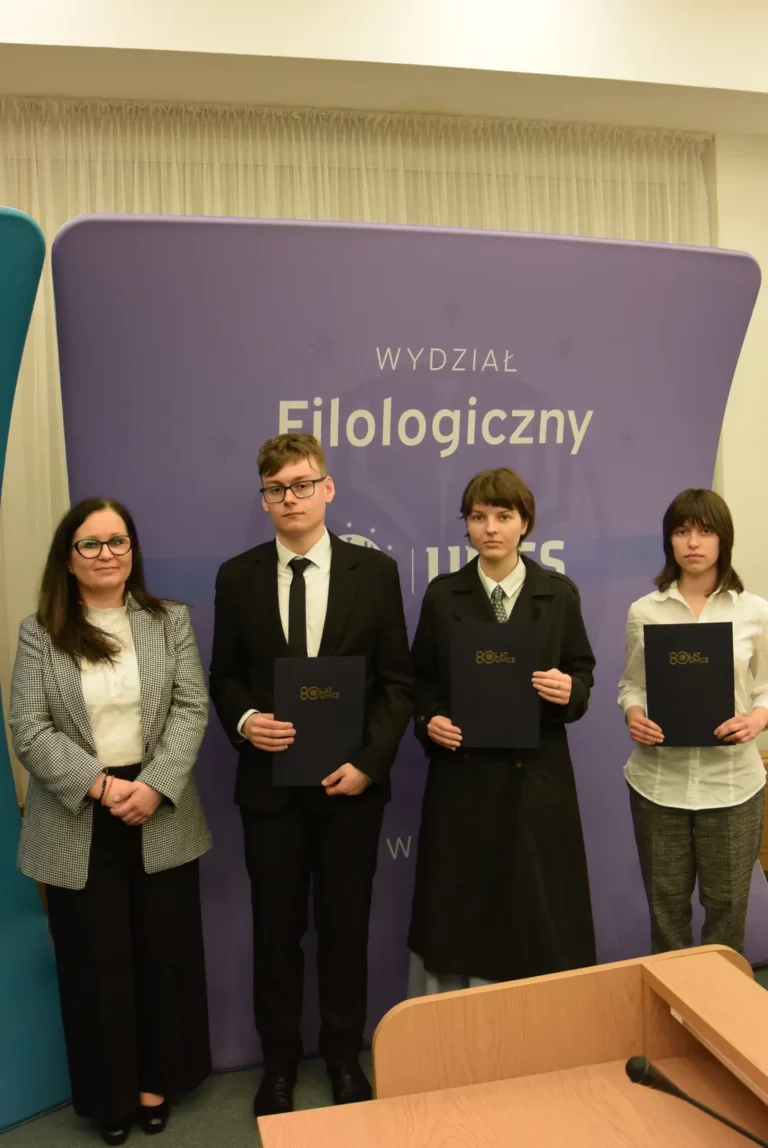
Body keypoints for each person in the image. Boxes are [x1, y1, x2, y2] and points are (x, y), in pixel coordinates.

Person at [209, 432, 413, 1115]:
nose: (289, 498)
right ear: (264, 499)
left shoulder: (374, 573)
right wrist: (245, 722)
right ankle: (278, 1065)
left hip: (351, 790)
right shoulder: (237, 577)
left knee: (345, 930)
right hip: (269, 790)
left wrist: (369, 764)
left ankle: (343, 1058)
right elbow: (224, 676)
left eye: (301, 485)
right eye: (276, 489)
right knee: (275, 933)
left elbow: (396, 683)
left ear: (327, 488)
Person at [10, 498, 212, 1146]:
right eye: (91, 544)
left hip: (160, 807)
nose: (107, 554)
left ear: (133, 550)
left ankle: (156, 1083)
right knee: (96, 966)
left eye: (117, 541)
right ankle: (111, 1096)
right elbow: (27, 727)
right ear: (68, 559)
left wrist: (153, 785)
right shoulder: (40, 632)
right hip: (79, 811)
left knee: (162, 956)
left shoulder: (168, 621)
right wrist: (100, 785)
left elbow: (191, 708)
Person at [408, 467, 596, 994]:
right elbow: (420, 681)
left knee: (540, 911)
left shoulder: (558, 593)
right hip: (463, 781)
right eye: (478, 517)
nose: (490, 528)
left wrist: (570, 690)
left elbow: (582, 672)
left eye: (503, 516)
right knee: (464, 911)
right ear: (467, 524)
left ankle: (540, 1022)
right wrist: (429, 719)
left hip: (536, 778)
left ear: (524, 523)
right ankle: (464, 1025)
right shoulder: (443, 595)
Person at [619, 488, 767, 954]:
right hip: (658, 784)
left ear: (724, 539)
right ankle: (671, 1000)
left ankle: (717, 1001)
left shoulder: (754, 611)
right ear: (669, 540)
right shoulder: (645, 611)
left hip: (733, 785)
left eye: (705, 531)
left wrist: (757, 720)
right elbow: (631, 685)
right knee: (666, 912)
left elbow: (766, 687)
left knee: (727, 910)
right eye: (682, 531)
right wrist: (634, 714)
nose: (694, 542)